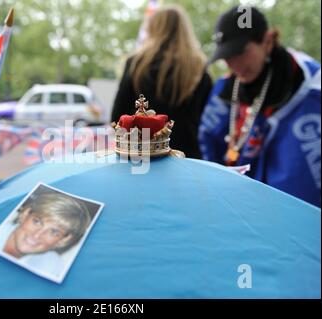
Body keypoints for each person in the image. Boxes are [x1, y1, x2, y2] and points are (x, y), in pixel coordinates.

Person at [199, 6, 321, 207]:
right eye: (227, 55)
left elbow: (304, 184)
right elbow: (209, 142)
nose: (234, 64)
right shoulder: (228, 86)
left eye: (240, 52)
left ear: (268, 41)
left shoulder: (310, 90)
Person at [111, 5, 212, 159]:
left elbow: (117, 116)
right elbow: (209, 123)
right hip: (187, 159)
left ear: (153, 29)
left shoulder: (136, 64)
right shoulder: (198, 68)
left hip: (143, 158)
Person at [2, 192, 91, 277]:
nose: (37, 235)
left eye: (54, 232)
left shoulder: (52, 266)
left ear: (64, 240)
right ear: (25, 215)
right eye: (37, 222)